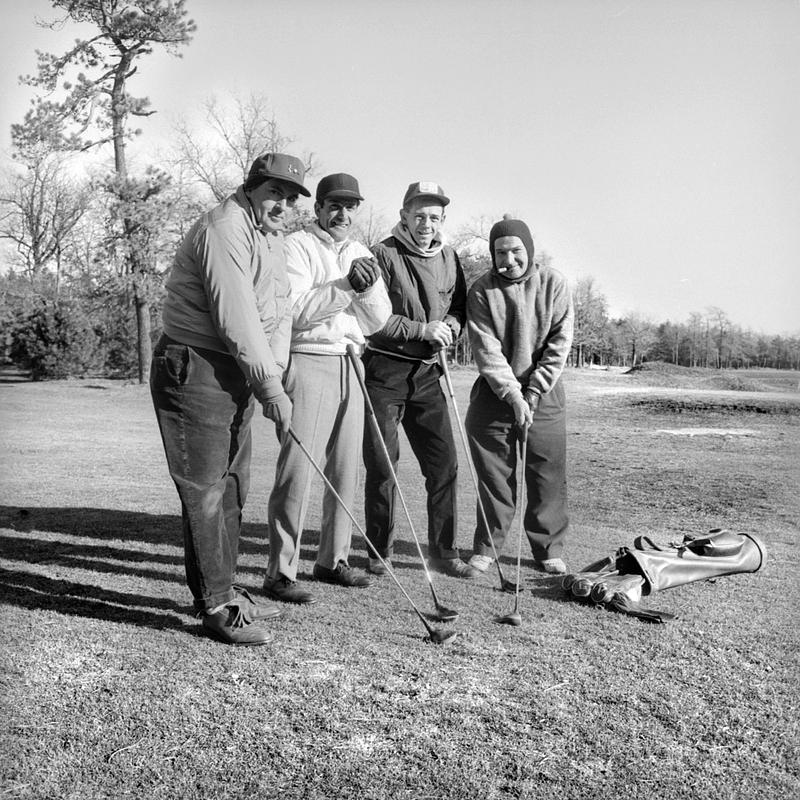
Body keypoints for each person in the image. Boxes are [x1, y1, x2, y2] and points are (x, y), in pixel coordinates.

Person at [150, 153, 310, 645]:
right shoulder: (225, 227)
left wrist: (273, 377)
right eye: (273, 193)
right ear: (251, 187)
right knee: (206, 488)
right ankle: (216, 604)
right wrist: (271, 388)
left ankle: (224, 586)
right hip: (194, 364)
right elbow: (236, 317)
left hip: (233, 370)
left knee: (235, 485)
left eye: (290, 196)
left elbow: (278, 313)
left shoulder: (272, 235)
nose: (282, 203)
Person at [264, 173, 392, 604]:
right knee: (297, 469)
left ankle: (332, 559)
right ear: (318, 208)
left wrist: (368, 288)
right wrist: (346, 287)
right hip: (309, 357)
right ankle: (281, 570)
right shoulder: (298, 245)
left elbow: (377, 321)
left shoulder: (359, 251)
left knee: (344, 468)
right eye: (333, 205)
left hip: (352, 360)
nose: (342, 214)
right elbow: (297, 312)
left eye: (350, 207)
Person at [361, 181, 478, 578]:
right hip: (384, 369)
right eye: (419, 215)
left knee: (444, 465)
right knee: (382, 464)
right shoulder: (381, 253)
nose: (426, 223)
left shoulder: (449, 256)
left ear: (442, 220)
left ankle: (444, 553)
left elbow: (459, 307)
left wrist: (449, 325)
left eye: (434, 217)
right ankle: (380, 552)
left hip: (428, 374)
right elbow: (373, 318)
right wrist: (421, 330)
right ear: (404, 216)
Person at [465, 216, 574, 576]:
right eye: (500, 253)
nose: (508, 260)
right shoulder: (481, 289)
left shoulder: (555, 283)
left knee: (546, 474)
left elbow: (559, 344)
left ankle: (547, 549)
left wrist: (533, 390)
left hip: (544, 391)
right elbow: (486, 349)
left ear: (529, 250)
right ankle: (487, 547)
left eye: (515, 251)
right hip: (494, 395)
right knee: (495, 476)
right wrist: (513, 394)